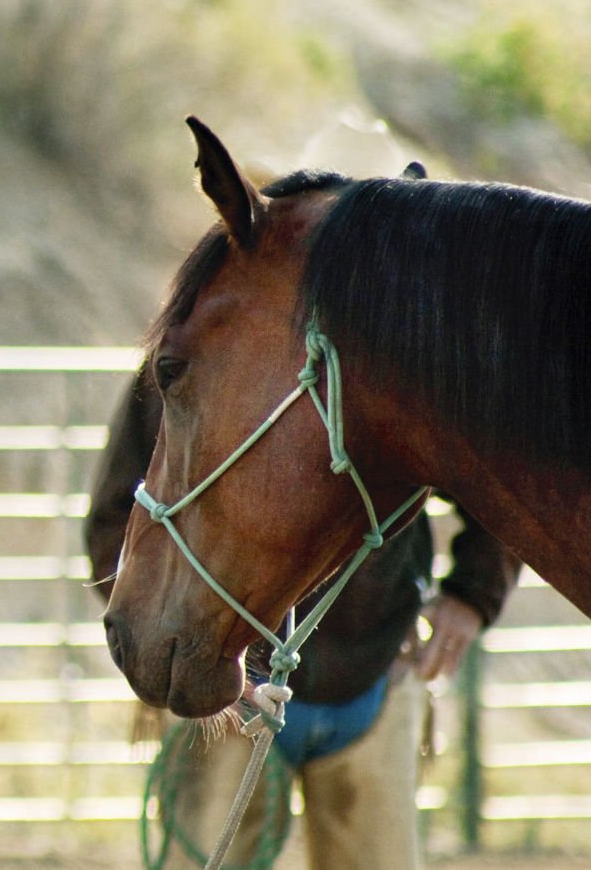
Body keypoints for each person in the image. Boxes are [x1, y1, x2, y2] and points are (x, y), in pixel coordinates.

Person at [86, 360, 520, 869]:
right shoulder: (188, 361)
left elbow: (495, 476)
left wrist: (473, 594)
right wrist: (189, 647)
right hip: (223, 699)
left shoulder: (393, 361)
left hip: (376, 671)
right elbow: (118, 523)